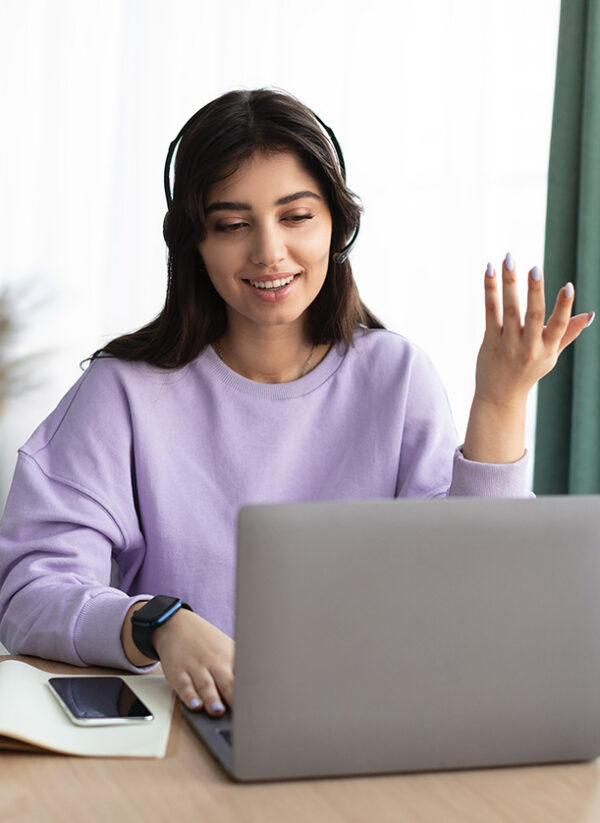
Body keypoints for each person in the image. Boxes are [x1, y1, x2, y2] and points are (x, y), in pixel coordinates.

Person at [0, 88, 593, 718]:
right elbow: (30, 595)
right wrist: (157, 623)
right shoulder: (123, 393)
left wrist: (501, 400)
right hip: (179, 740)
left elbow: (476, 593)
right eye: (232, 225)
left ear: (337, 224)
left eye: (296, 216)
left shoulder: (395, 376)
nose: (269, 252)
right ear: (194, 244)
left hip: (372, 723)